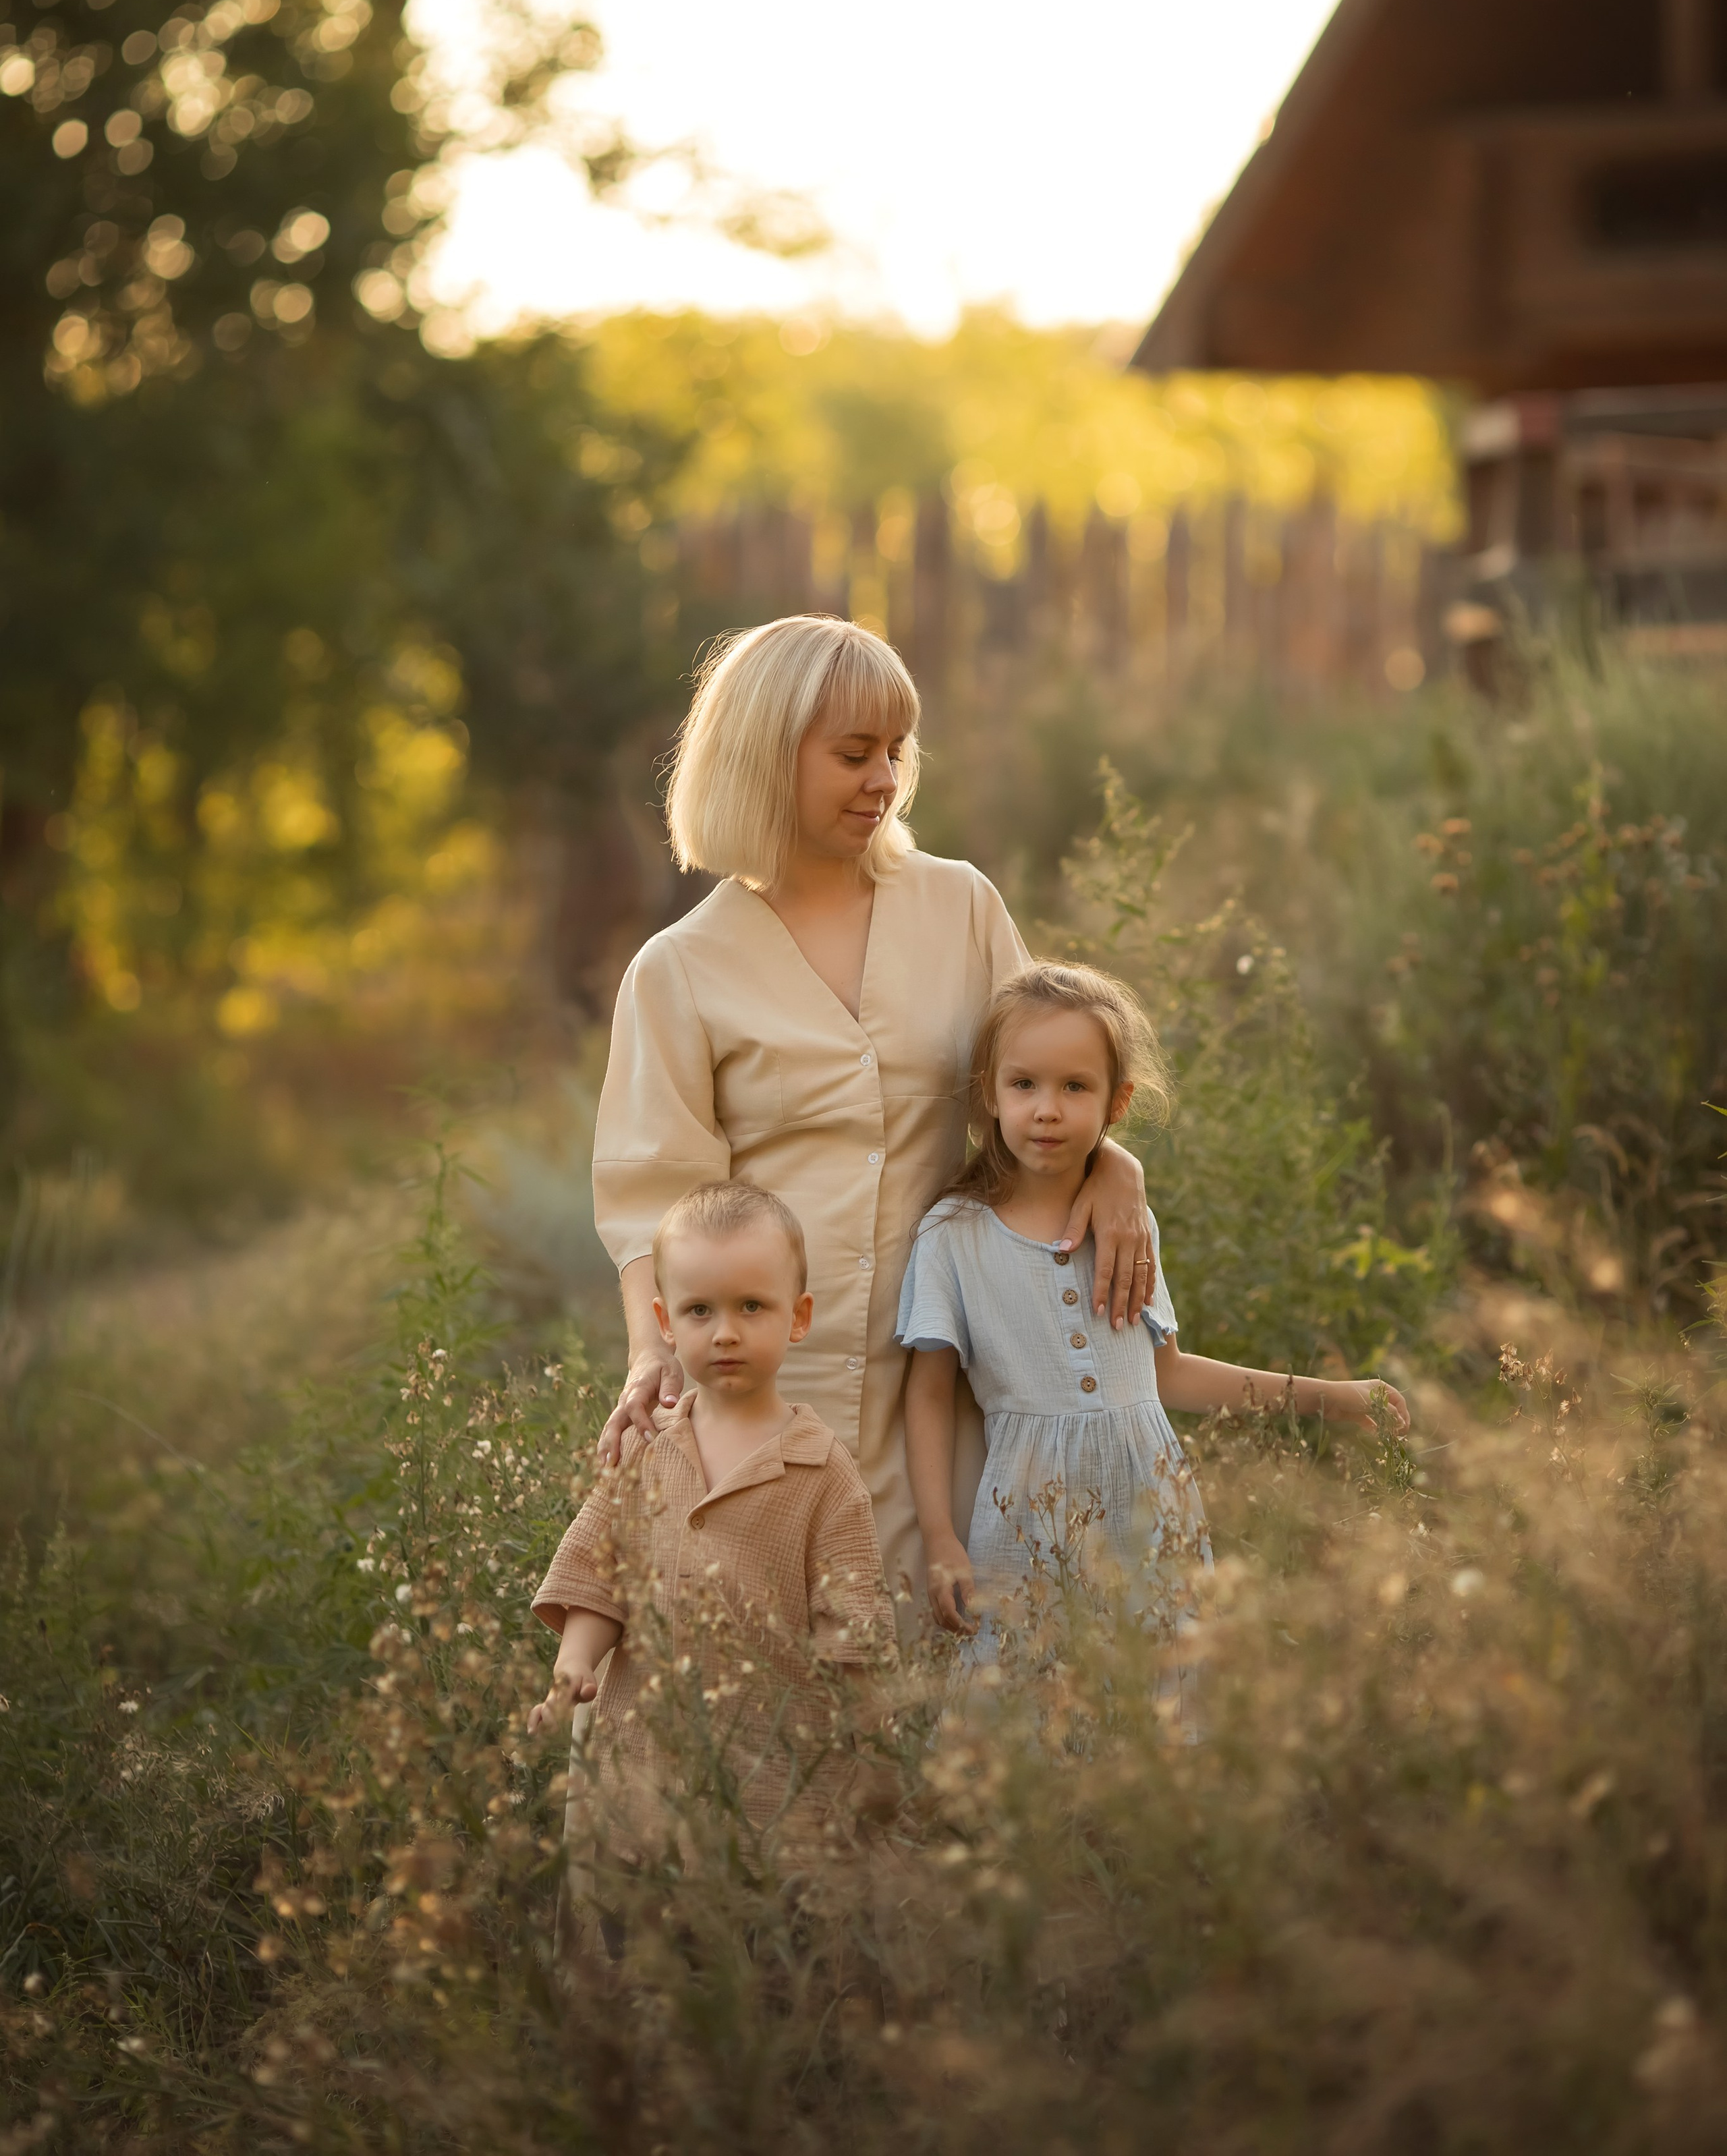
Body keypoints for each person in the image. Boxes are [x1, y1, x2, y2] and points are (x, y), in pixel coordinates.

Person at [590, 615, 1158, 1608]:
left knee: (945, 1682)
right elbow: (654, 1200)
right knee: (761, 1696)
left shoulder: (961, 907)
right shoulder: (678, 970)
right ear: (766, 756)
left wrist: (1117, 1167)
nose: (886, 781)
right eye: (854, 755)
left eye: (897, 752)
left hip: (945, 1388)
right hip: (764, 1389)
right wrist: (653, 1353)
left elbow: (1053, 1072)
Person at [899, 961, 1411, 1662]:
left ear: (1117, 1102)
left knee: (1153, 1707)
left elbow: (1163, 1376)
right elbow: (926, 1395)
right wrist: (938, 1537)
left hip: (1150, 1512)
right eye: (1023, 1085)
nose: (1046, 1109)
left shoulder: (1127, 1227)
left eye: (1074, 1087)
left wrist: (1326, 1397)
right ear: (988, 1092)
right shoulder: (952, 1235)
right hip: (1026, 1524)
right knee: (1029, 1713)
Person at [528, 1180, 894, 1848]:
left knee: (759, 1945)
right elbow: (597, 1576)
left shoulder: (823, 1472)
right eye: (700, 1312)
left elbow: (853, 1637)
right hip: (641, 1787)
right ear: (665, 1324)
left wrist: (865, 1755)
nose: (725, 1332)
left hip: (773, 1798)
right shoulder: (646, 1450)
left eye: (752, 1307)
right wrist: (574, 1665)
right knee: (644, 1939)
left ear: (798, 1316)